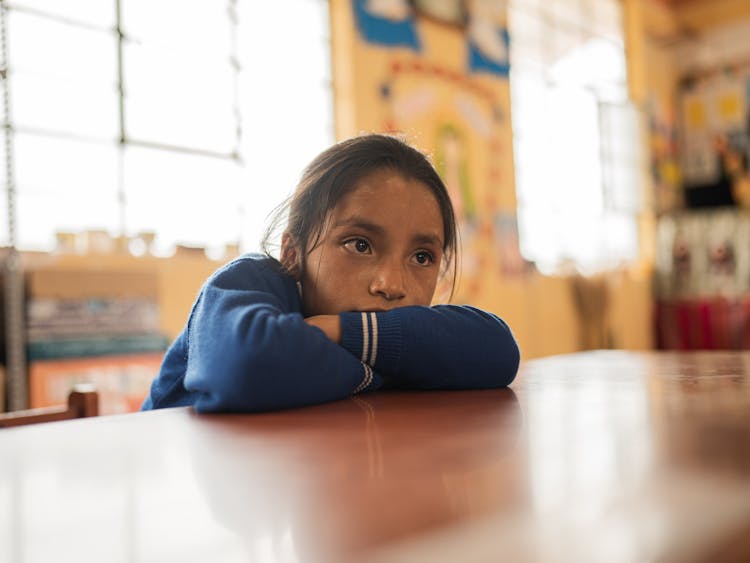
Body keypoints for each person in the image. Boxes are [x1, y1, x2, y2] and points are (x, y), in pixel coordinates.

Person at [142, 134, 520, 413]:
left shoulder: (375, 323)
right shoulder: (248, 282)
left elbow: (498, 350)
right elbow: (245, 366)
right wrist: (390, 364)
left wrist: (336, 331)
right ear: (292, 253)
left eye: (422, 257)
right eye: (359, 245)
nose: (391, 285)